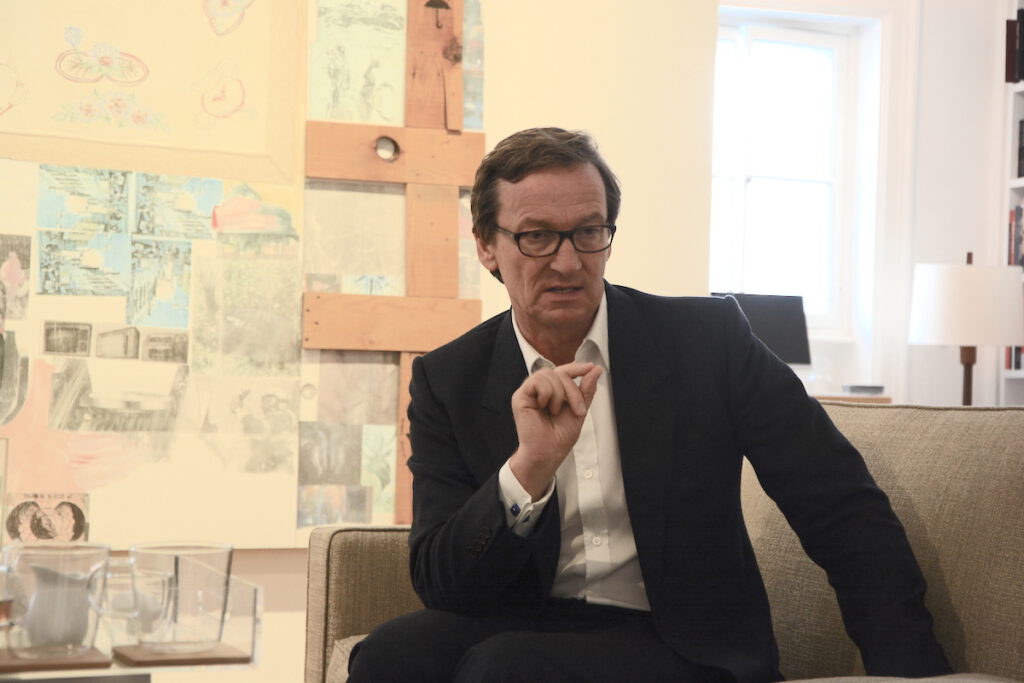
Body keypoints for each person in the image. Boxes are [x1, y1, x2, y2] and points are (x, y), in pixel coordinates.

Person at [347, 128, 951, 682]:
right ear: (486, 246)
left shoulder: (708, 342)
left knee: (505, 669)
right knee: (390, 656)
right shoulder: (448, 379)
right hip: (524, 622)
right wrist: (527, 470)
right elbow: (442, 584)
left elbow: (838, 503)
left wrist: (911, 668)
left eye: (589, 232)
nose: (568, 262)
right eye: (537, 237)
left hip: (683, 642)